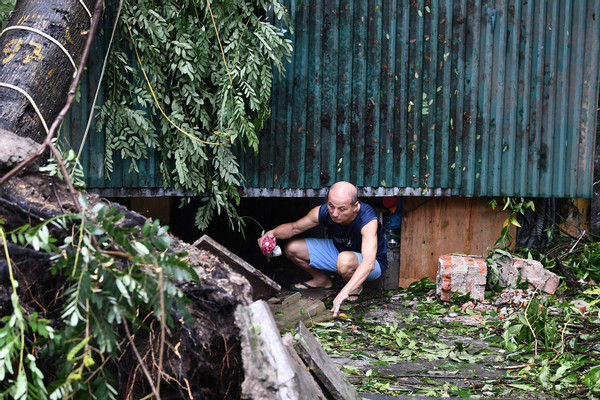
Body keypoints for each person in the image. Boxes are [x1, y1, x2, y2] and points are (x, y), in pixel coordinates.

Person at [258, 181, 387, 317]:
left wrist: (344, 291)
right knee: (292, 248)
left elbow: (369, 263)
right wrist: (271, 233)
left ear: (355, 206)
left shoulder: (367, 219)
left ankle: (356, 287)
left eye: (341, 209)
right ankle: (321, 280)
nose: (334, 213)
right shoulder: (325, 211)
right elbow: (294, 227)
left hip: (372, 263)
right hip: (340, 251)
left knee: (344, 260)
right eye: (331, 206)